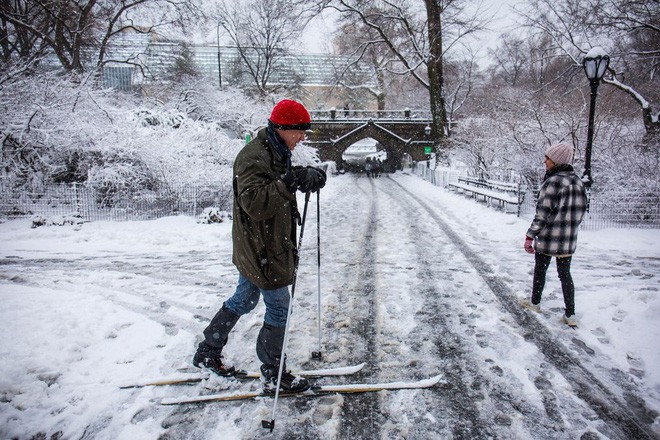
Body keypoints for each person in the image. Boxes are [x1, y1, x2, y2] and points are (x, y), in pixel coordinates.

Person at [193, 99, 326, 393]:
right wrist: (290, 181)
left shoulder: (275, 152)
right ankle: (273, 374)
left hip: (264, 244)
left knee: (244, 298)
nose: (303, 137)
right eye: (300, 131)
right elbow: (254, 202)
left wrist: (304, 174)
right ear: (282, 128)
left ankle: (208, 351)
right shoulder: (252, 156)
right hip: (261, 249)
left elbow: (276, 181)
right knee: (279, 307)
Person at [519, 143, 588, 327]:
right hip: (568, 240)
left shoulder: (553, 182)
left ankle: (535, 303)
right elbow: (581, 211)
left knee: (540, 270)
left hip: (549, 238)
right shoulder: (578, 182)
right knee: (565, 275)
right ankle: (570, 314)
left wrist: (530, 236)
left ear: (556, 161)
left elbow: (542, 213)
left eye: (547, 158)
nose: (544, 161)